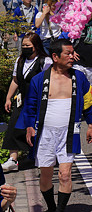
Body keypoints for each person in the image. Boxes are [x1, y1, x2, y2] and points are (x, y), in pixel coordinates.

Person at [21, 39, 92, 212]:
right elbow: (30, 106)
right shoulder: (40, 80)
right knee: (46, 175)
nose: (72, 57)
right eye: (68, 54)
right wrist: (29, 126)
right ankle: (52, 207)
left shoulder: (79, 77)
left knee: (65, 174)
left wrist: (91, 125)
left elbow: (89, 101)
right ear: (55, 57)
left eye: (73, 53)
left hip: (69, 132)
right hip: (45, 134)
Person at [2, 33, 52, 172]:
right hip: (22, 99)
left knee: (38, 128)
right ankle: (13, 159)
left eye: (28, 45)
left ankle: (40, 156)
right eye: (23, 45)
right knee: (14, 126)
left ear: (36, 46)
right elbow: (15, 80)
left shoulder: (45, 61)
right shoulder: (20, 61)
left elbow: (50, 81)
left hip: (39, 100)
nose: (25, 48)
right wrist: (8, 98)